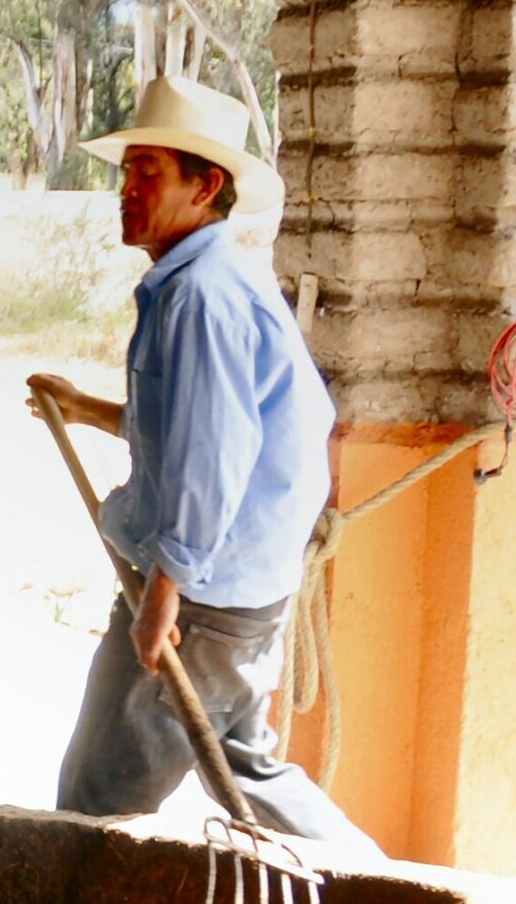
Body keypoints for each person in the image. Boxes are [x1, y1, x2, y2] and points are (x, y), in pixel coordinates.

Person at [29, 77, 379, 854]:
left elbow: (211, 458)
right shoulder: (196, 281)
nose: (127, 189)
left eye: (147, 172)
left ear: (206, 184)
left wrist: (163, 595)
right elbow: (185, 429)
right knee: (246, 767)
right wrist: (84, 407)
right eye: (126, 172)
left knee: (100, 794)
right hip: (233, 586)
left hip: (204, 600)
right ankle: (373, 884)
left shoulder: (201, 299)